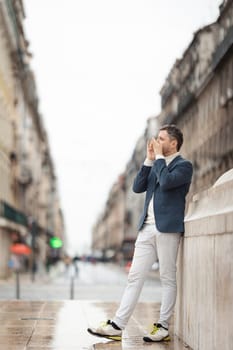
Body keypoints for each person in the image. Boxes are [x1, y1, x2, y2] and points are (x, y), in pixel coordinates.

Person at [87, 124, 193, 342]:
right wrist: (148, 159)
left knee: (167, 277)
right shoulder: (157, 163)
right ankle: (118, 325)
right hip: (146, 228)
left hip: (168, 229)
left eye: (162, 139)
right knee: (134, 277)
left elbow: (166, 182)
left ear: (173, 143)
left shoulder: (184, 166)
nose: (157, 141)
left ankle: (162, 326)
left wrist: (160, 159)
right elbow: (137, 187)